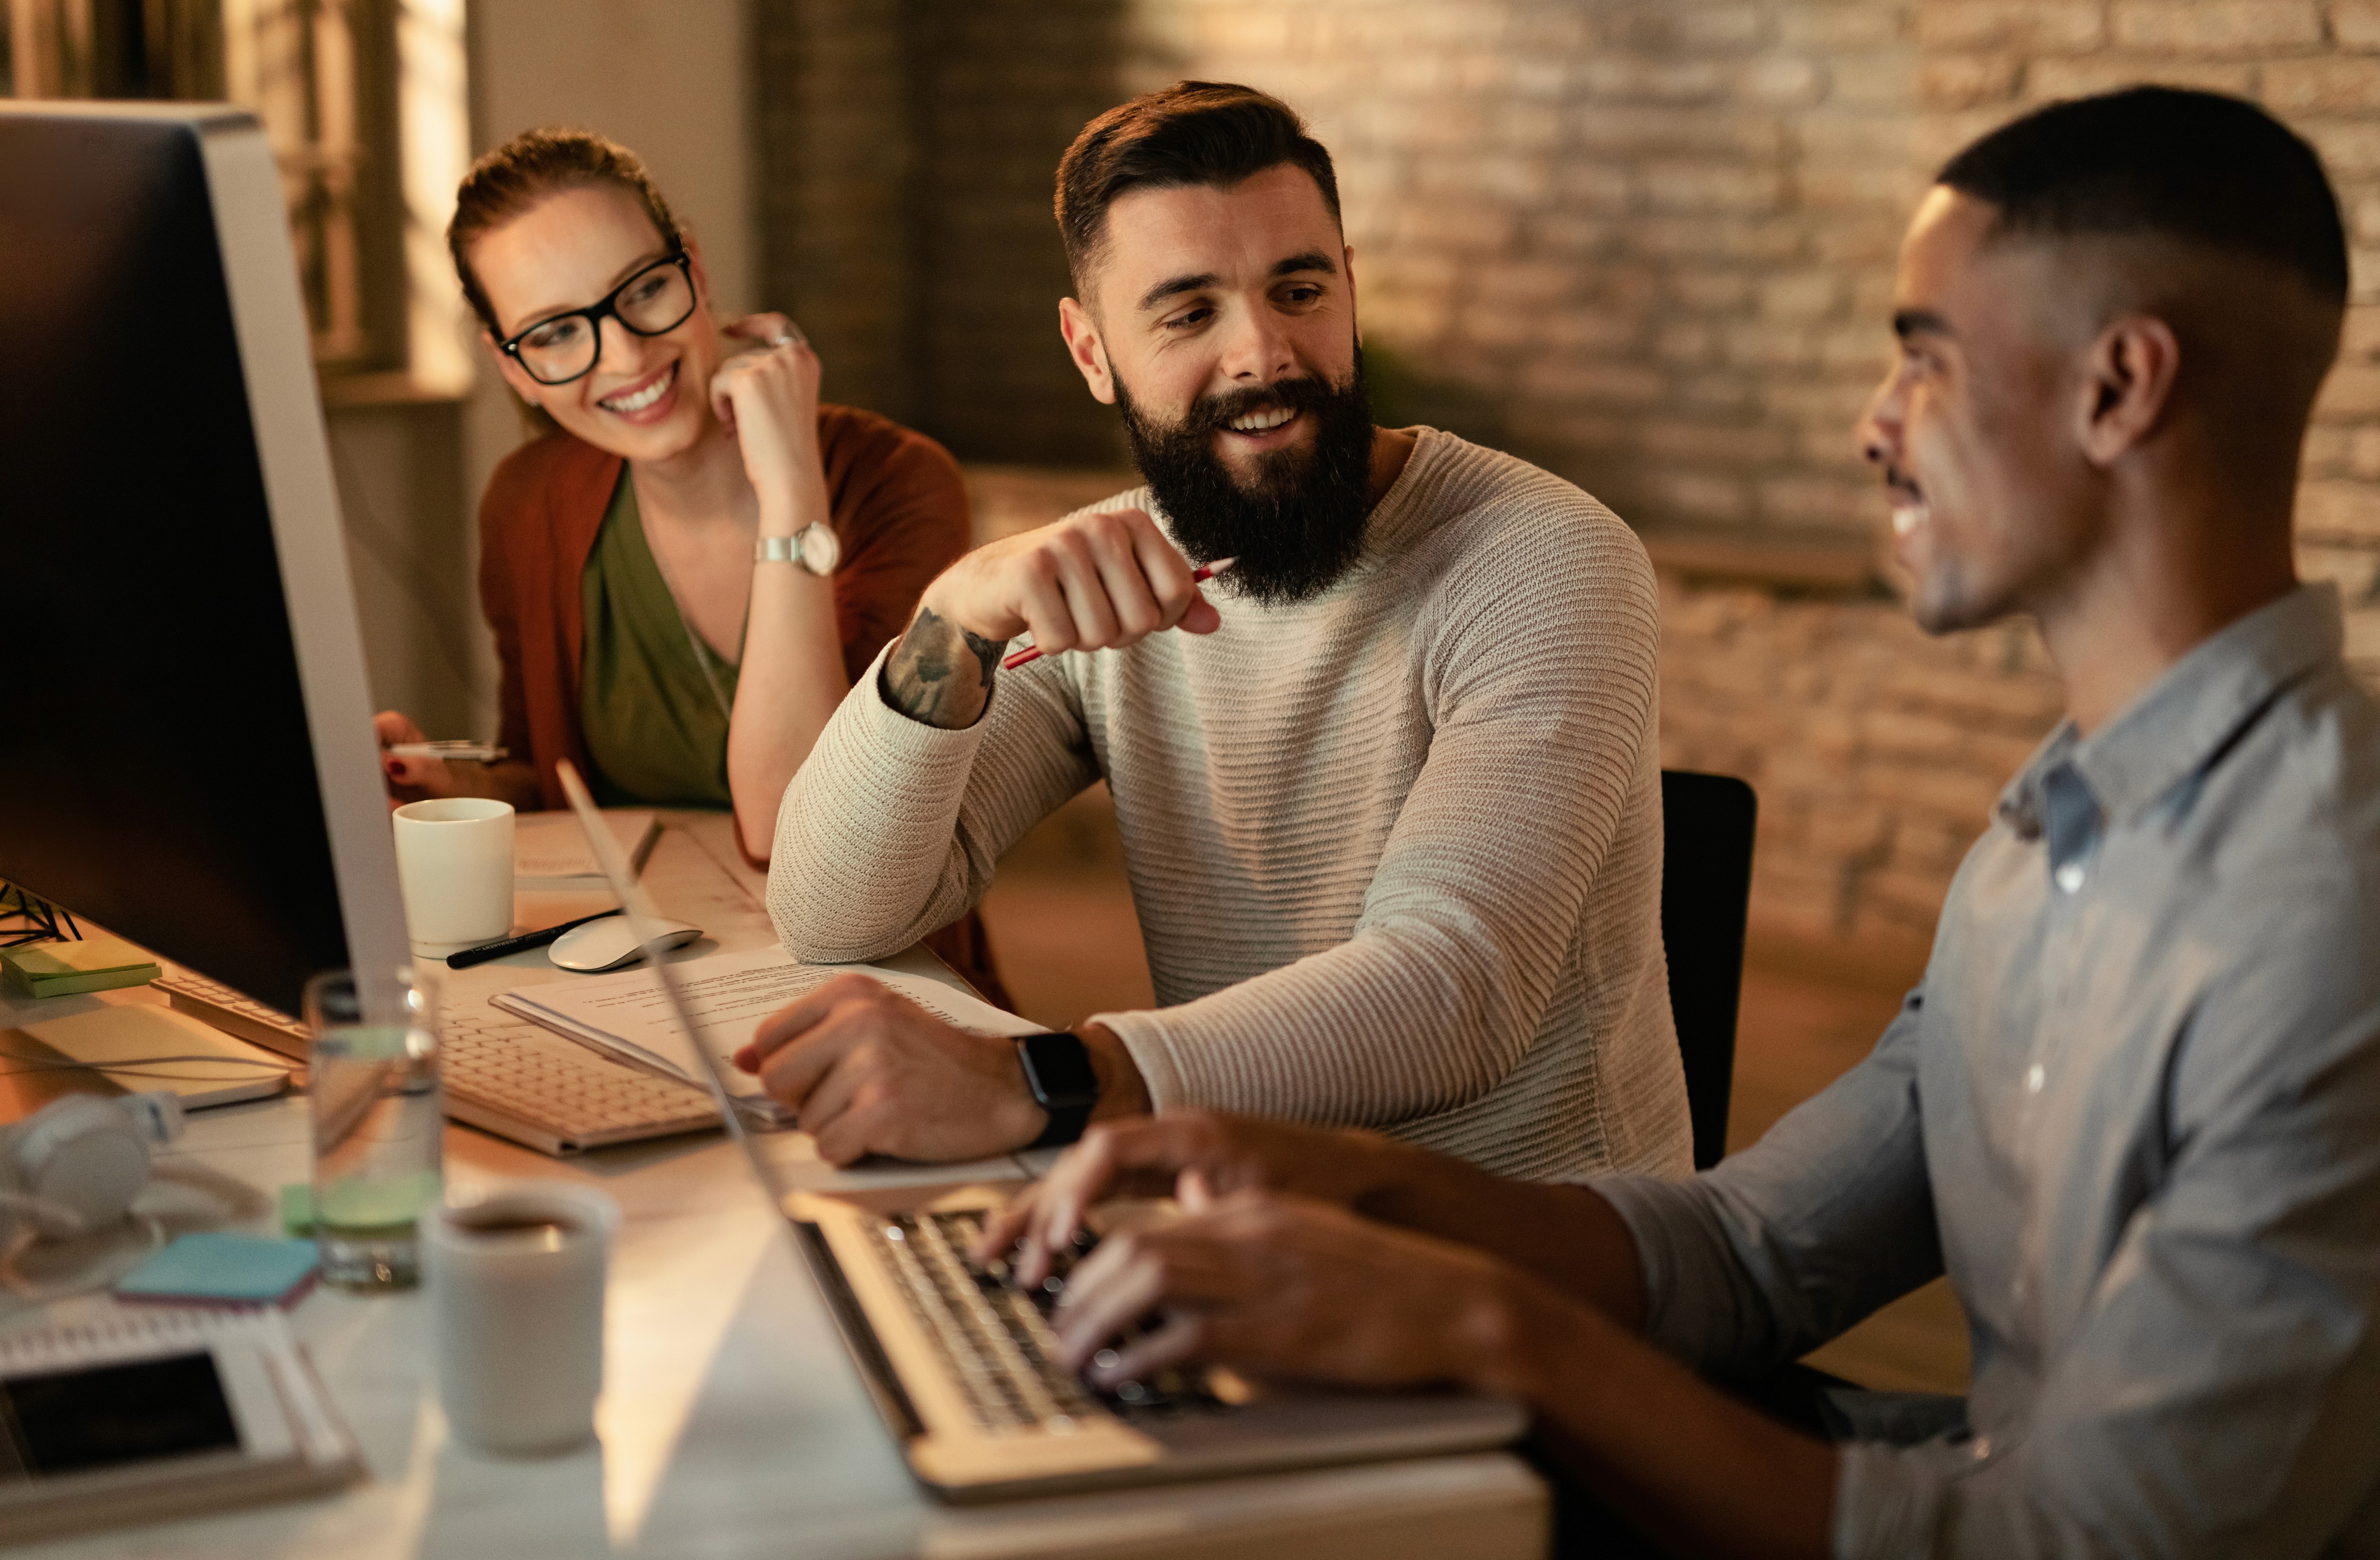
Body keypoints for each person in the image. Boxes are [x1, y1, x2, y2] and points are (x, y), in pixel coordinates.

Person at [970, 87, 2380, 1558]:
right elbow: (1756, 1247)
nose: (1873, 428)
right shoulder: (2054, 826)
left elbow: (2076, 1543)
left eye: (1927, 362)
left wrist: (1485, 1324)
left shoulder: (2325, 920)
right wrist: (1335, 1184)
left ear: (2118, 390)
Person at [737, 83, 1693, 1177]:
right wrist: (954, 617)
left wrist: (1033, 1084)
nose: (1264, 354)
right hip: (1246, 1225)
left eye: (1298, 290)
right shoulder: (1112, 575)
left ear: (1349, 291)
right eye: (1189, 312)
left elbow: (1456, 992)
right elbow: (831, 909)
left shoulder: (1546, 559)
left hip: (1538, 1273)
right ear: (1092, 353)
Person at [375, 127, 1003, 1000]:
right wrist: (455, 783)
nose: (627, 356)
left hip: (877, 983)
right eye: (556, 332)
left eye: (644, 291)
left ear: (696, 271)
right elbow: (554, 780)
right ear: (511, 367)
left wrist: (792, 500)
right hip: (647, 979)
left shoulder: (896, 481)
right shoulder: (529, 501)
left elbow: (805, 837)